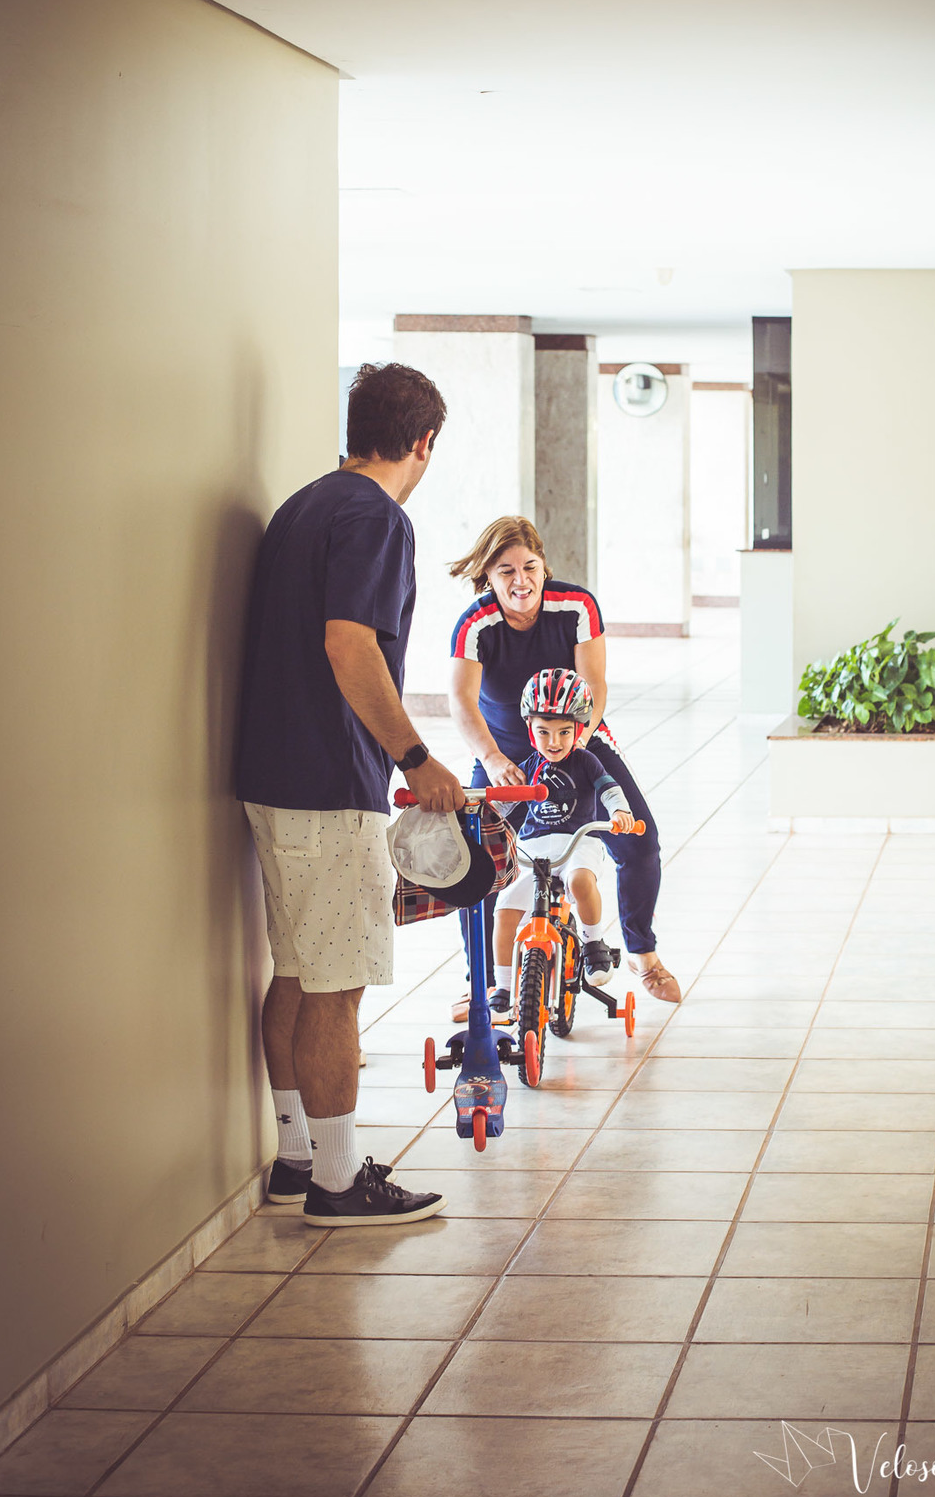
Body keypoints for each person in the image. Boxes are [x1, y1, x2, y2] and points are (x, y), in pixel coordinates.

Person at [236, 362, 465, 1228]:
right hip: (331, 783)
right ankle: (338, 1184)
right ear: (423, 442)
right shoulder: (377, 516)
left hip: (273, 777)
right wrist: (415, 759)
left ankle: (298, 1159)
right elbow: (349, 644)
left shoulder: (304, 505)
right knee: (337, 987)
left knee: (298, 972)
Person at [446, 515, 681, 1015]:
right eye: (506, 571)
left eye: (529, 567)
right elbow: (462, 704)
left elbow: (594, 686)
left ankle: (641, 953)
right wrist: (492, 759)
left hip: (578, 740)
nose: (521, 580)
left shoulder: (576, 606)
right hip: (505, 756)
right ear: (488, 575)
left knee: (640, 842)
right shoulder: (475, 625)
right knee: (476, 862)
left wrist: (574, 749)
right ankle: (482, 981)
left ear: (544, 566)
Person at [489, 668, 632, 1020]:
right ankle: (503, 986)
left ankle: (594, 942)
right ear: (530, 730)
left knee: (580, 881)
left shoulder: (585, 760)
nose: (554, 742)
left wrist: (620, 811)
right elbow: (503, 803)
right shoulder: (529, 766)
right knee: (504, 910)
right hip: (533, 847)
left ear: (578, 730)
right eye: (544, 732)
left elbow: (609, 788)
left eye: (564, 732)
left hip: (578, 842)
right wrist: (482, 816)